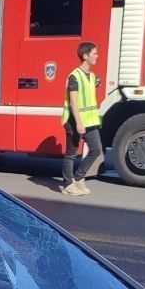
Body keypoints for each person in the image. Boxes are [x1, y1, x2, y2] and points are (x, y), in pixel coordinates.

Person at [61, 41, 103, 197]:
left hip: (90, 121)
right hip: (74, 120)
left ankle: (78, 178)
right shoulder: (74, 76)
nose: (97, 56)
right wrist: (78, 123)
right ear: (85, 56)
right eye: (94, 53)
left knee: (96, 149)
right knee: (71, 154)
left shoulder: (91, 76)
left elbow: (92, 88)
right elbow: (73, 101)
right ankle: (67, 184)